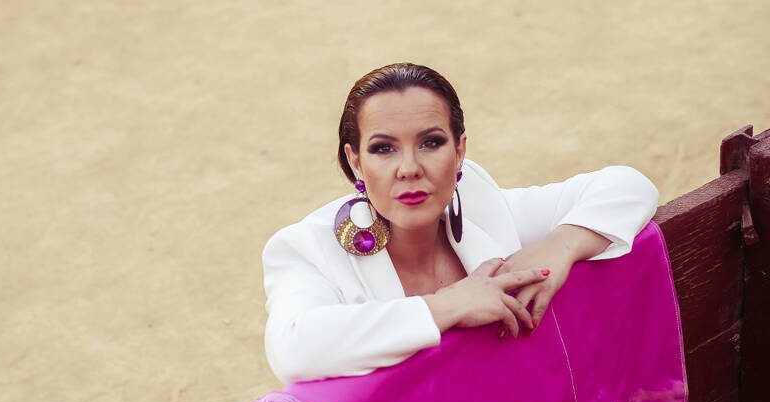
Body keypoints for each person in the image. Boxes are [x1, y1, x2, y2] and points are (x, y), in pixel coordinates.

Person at [262, 62, 659, 385]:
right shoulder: (308, 249)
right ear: (354, 162)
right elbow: (293, 349)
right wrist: (448, 305)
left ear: (460, 149)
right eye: (383, 149)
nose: (409, 169)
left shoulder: (486, 207)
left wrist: (561, 246)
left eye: (431, 142)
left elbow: (629, 186)